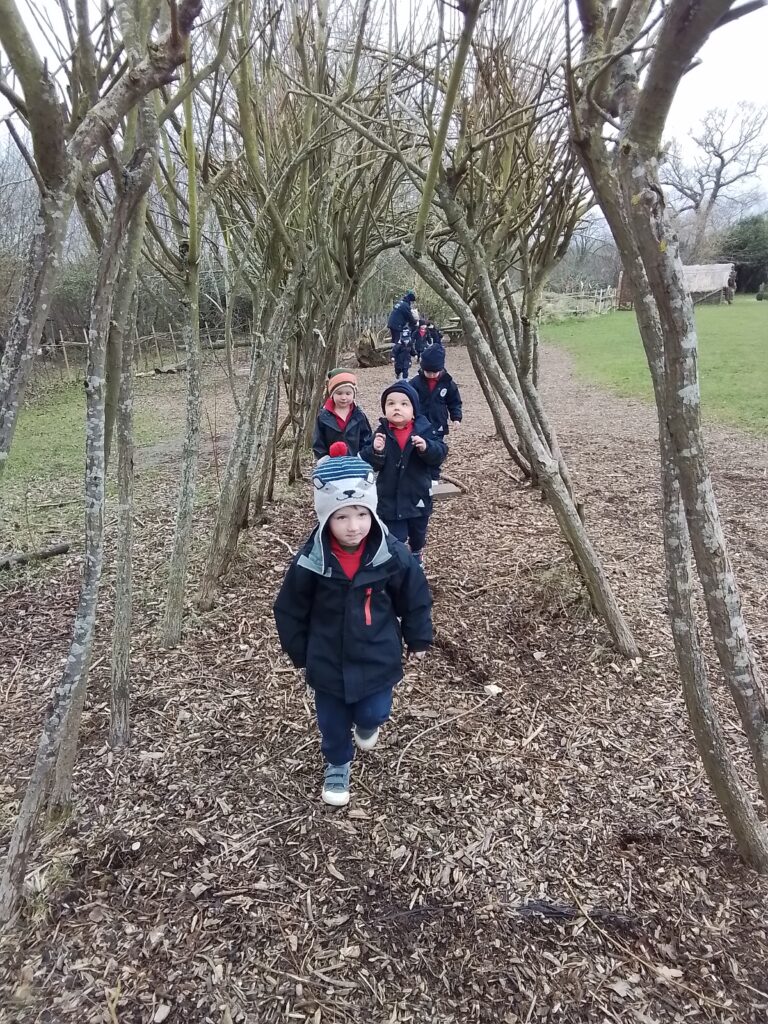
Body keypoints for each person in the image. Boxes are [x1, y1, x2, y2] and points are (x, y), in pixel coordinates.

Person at [273, 443, 433, 807]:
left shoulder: (391, 553)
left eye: (361, 513)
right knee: (331, 721)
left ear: (372, 512)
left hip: (378, 653)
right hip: (328, 657)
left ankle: (368, 724)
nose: (354, 526)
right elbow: (289, 609)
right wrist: (302, 653)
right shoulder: (312, 560)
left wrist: (419, 636)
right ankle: (337, 764)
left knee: (374, 711)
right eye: (341, 516)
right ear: (325, 518)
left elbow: (415, 595)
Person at [360, 381, 446, 564]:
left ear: (414, 409)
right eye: (391, 403)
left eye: (404, 404)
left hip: (417, 496)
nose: (397, 408)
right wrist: (376, 451)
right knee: (395, 538)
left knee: (418, 534)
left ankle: (416, 555)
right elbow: (372, 464)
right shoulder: (381, 433)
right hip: (390, 498)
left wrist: (426, 447)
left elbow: (440, 453)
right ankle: (396, 564)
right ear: (384, 409)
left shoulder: (424, 430)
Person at [409, 345, 462, 486]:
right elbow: (407, 401)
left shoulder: (448, 383)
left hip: (438, 423)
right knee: (419, 448)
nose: (431, 375)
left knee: (436, 450)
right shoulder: (415, 383)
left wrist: (456, 418)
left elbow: (454, 401)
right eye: (428, 372)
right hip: (419, 423)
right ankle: (417, 474)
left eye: (435, 372)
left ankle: (434, 476)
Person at [312, 368, 373, 459]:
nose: (344, 397)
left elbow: (366, 438)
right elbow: (318, 441)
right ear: (332, 394)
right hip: (332, 464)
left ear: (353, 394)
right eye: (339, 393)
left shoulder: (359, 415)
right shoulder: (323, 416)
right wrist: (323, 458)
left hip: (355, 462)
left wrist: (362, 455)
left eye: (348, 394)